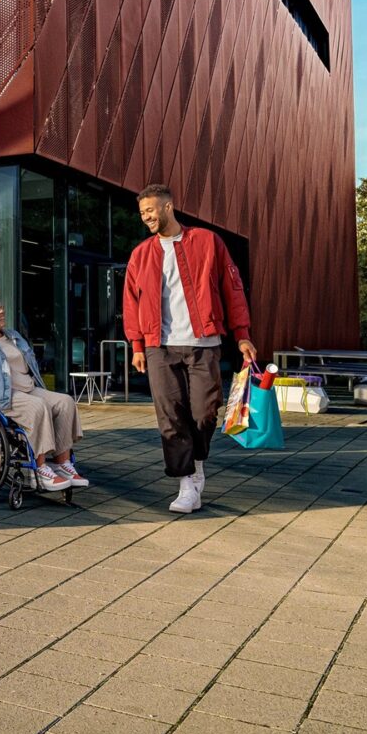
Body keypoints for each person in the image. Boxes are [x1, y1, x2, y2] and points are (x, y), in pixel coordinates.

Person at [123, 183, 256, 514]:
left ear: (167, 207)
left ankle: (196, 464)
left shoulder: (208, 242)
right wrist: (137, 345)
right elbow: (131, 302)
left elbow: (232, 289)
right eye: (142, 213)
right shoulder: (141, 254)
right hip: (159, 347)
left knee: (205, 412)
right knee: (170, 415)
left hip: (203, 344)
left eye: (150, 210)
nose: (145, 217)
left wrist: (242, 335)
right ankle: (186, 482)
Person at [0, 293, 88, 492]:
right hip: (1, 395)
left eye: (0, 306)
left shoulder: (12, 335)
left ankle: (62, 464)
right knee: (38, 407)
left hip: (29, 388)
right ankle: (40, 470)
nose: (1, 311)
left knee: (65, 402)